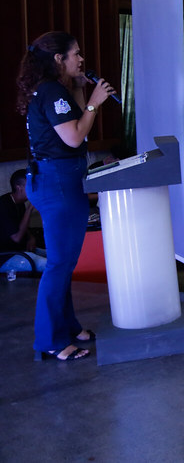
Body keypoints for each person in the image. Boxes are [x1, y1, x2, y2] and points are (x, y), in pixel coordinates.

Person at [16, 31, 116, 361]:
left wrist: (79, 89)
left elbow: (70, 118)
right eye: (75, 54)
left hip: (55, 178)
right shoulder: (50, 91)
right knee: (59, 264)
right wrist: (94, 103)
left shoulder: (53, 89)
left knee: (65, 262)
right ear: (59, 58)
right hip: (58, 181)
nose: (81, 59)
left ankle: (69, 326)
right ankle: (50, 341)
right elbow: (73, 137)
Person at [0, 169, 46, 274]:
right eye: (30, 186)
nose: (34, 189)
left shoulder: (19, 202)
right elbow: (17, 237)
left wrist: (31, 237)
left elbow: (20, 226)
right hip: (5, 257)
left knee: (56, 256)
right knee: (48, 265)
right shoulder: (3, 205)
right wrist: (30, 209)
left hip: (20, 250)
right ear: (19, 187)